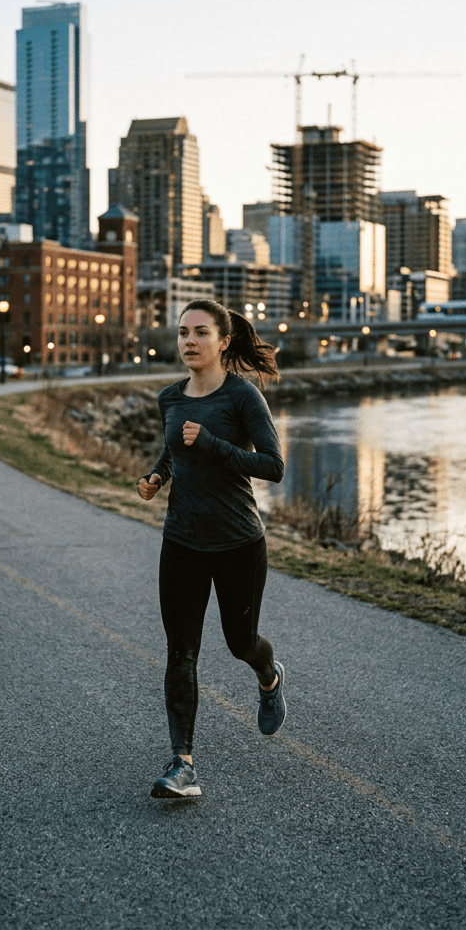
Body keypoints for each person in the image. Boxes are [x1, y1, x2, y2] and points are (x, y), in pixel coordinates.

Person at [137, 299, 287, 799]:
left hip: (238, 542)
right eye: (182, 333)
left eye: (200, 332)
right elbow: (173, 444)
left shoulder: (243, 398)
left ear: (224, 341)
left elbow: (273, 465)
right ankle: (182, 765)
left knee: (240, 642)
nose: (188, 341)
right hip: (181, 540)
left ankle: (269, 675)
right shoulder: (170, 398)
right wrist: (159, 474)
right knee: (181, 651)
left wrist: (211, 446)